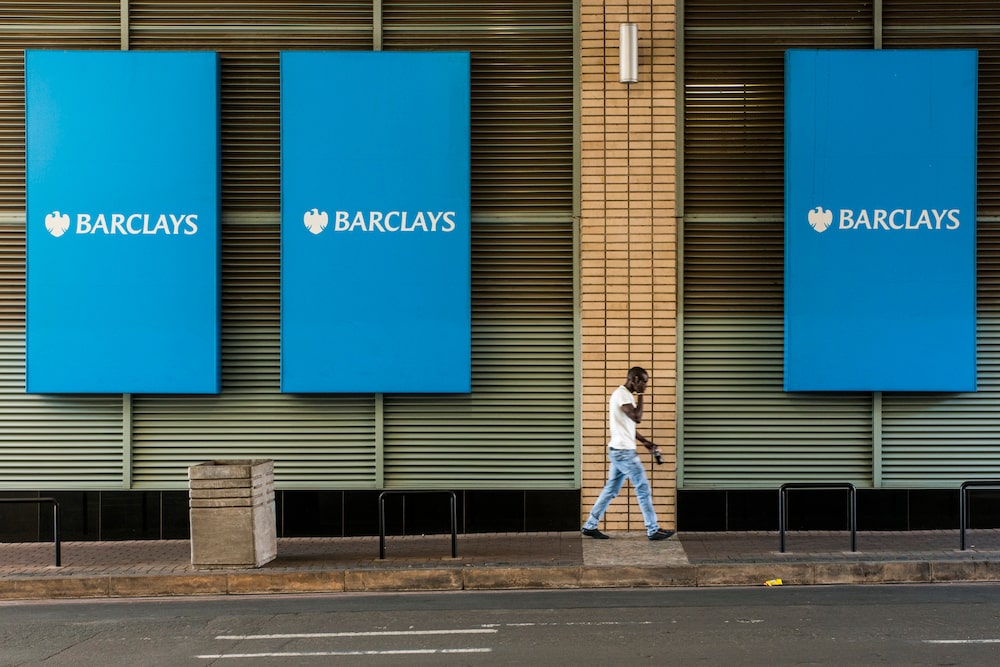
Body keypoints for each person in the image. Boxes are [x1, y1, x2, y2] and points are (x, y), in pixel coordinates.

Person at [582, 366, 674, 541]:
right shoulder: (623, 394)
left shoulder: (624, 395)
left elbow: (628, 426)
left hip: (619, 450)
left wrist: (645, 442)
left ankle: (590, 525)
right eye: (644, 382)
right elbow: (637, 418)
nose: (646, 385)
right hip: (624, 453)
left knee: (611, 489)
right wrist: (641, 395)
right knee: (643, 488)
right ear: (635, 380)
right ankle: (653, 529)